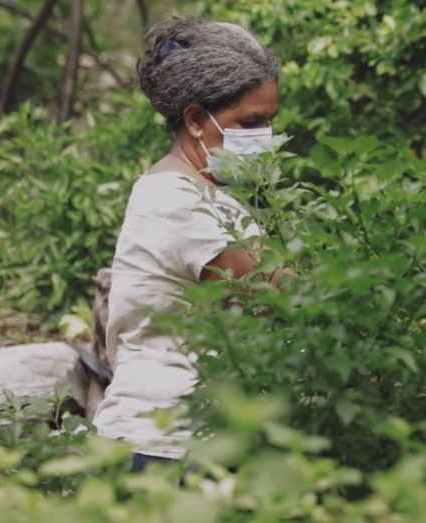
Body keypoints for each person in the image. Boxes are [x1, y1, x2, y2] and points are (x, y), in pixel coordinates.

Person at [90, 16, 292, 472]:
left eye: (269, 121)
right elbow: (285, 296)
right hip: (164, 449)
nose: (265, 136)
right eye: (251, 121)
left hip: (187, 442)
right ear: (197, 119)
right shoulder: (178, 201)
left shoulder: (198, 191)